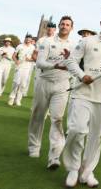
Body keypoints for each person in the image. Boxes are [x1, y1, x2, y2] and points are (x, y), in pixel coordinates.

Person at [62, 10, 101, 188]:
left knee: (97, 137)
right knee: (76, 130)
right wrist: (82, 76)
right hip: (83, 93)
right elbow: (71, 62)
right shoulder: (87, 41)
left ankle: (87, 171)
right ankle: (73, 169)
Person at [28, 16, 78, 170]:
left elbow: (76, 64)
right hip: (44, 82)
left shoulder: (75, 45)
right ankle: (34, 146)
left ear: (71, 28)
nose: (64, 26)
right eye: (62, 24)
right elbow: (40, 62)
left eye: (67, 24)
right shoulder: (47, 42)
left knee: (57, 119)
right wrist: (57, 65)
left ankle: (54, 156)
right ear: (59, 26)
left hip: (62, 85)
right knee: (38, 115)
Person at [8, 34, 36, 107]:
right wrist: (16, 61)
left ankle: (18, 100)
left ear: (31, 40)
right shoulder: (20, 46)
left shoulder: (33, 47)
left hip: (27, 67)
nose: (28, 40)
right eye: (27, 38)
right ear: (25, 39)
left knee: (23, 85)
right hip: (19, 66)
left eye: (29, 39)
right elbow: (14, 56)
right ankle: (12, 98)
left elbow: (35, 58)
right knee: (16, 83)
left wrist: (29, 59)